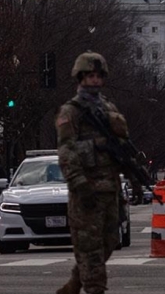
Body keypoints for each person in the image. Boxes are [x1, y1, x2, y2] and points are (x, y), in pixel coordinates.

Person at [55, 51, 143, 294]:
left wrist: (135, 178)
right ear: (80, 78)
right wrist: (79, 183)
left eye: (97, 76)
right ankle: (94, 288)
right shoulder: (70, 111)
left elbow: (122, 148)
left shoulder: (108, 108)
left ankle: (75, 282)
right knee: (90, 247)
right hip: (87, 191)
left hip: (111, 189)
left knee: (109, 241)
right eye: (89, 76)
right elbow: (66, 151)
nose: (94, 81)